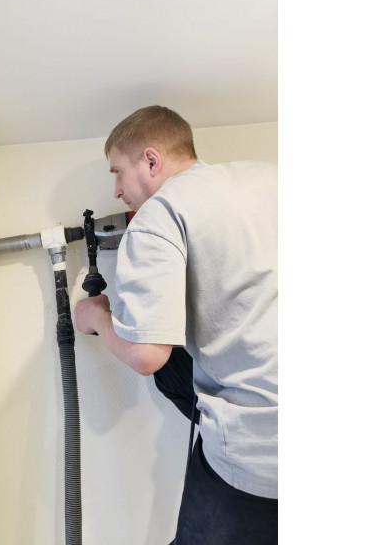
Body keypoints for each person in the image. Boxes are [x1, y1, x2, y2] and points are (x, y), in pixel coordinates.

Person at [73, 105, 278, 544]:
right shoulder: (268, 176)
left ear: (151, 160)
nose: (116, 191)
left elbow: (146, 355)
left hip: (259, 451)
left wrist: (98, 317)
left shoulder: (159, 215)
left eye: (118, 172)